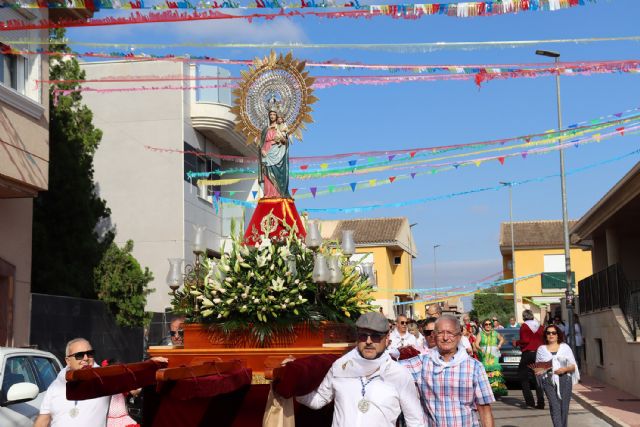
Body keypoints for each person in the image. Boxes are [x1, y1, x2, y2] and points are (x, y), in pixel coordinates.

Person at [296, 312, 425, 426]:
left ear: (387, 339)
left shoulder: (400, 375)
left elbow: (415, 421)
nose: (368, 341)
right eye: (363, 336)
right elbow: (319, 399)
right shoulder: (340, 366)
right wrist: (293, 383)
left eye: (375, 336)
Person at [400, 315, 496, 427]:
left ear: (459, 336)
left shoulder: (474, 367)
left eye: (450, 333)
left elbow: (484, 409)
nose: (445, 337)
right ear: (434, 335)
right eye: (440, 333)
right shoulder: (422, 363)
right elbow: (390, 368)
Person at [35, 338, 110, 427]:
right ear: (68, 361)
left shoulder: (104, 379)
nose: (86, 358)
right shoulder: (55, 386)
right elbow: (43, 420)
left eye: (89, 354)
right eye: (79, 355)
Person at [534, 324, 580, 427]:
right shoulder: (541, 349)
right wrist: (545, 368)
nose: (551, 335)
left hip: (565, 379)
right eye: (548, 333)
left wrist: (565, 369)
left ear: (558, 335)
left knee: (564, 408)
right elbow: (537, 368)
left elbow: (573, 366)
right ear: (545, 335)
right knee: (554, 406)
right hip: (548, 380)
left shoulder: (565, 347)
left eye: (553, 333)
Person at [514, 309, 545, 409]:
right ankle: (541, 403)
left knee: (523, 377)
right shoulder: (540, 326)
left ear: (524, 317)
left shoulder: (524, 326)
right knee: (538, 379)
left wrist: (517, 342)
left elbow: (525, 340)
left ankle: (530, 401)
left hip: (527, 354)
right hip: (539, 354)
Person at [259, 109, 291, 198]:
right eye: (270, 114)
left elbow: (286, 141)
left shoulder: (280, 127)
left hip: (278, 151)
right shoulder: (265, 129)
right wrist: (262, 150)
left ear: (277, 116)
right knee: (267, 171)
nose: (272, 116)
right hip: (267, 150)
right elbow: (261, 142)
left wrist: (282, 140)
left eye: (274, 114)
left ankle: (278, 193)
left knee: (277, 172)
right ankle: (268, 193)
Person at [474, 319, 507, 398]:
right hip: (484, 353)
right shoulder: (480, 334)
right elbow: (476, 344)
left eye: (489, 324)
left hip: (494, 353)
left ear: (491, 325)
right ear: (483, 325)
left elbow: (502, 339)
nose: (488, 325)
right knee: (486, 370)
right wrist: (480, 348)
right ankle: (485, 390)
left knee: (495, 370)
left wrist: (499, 345)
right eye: (486, 324)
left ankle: (496, 390)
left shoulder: (495, 333)